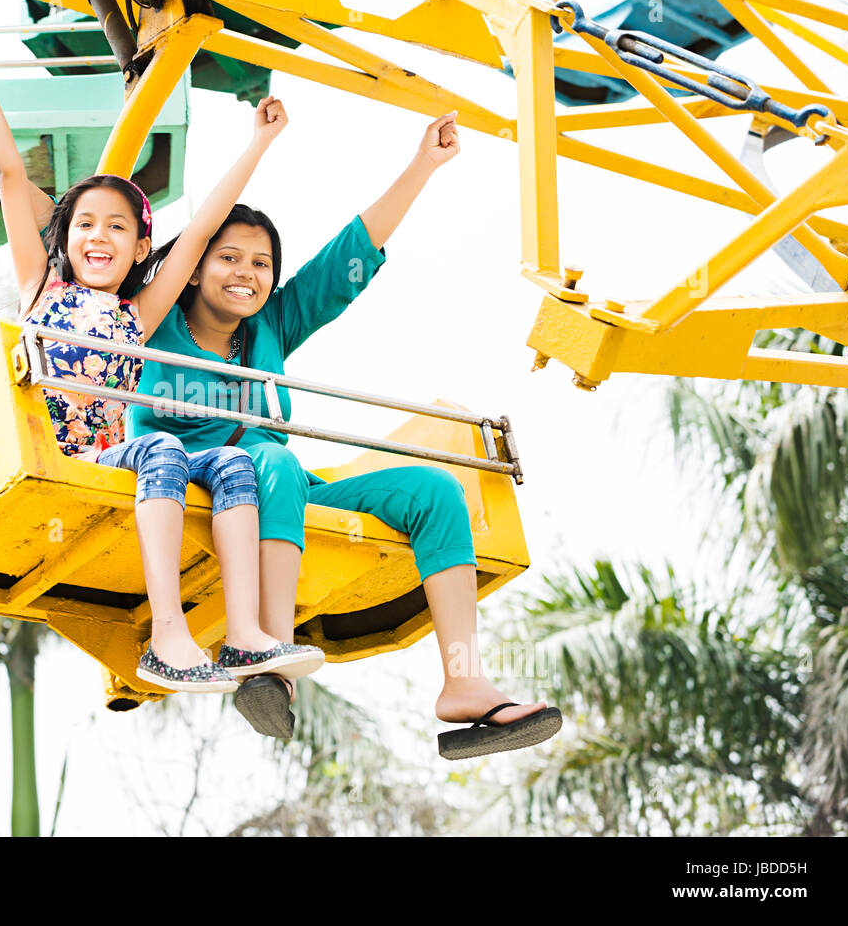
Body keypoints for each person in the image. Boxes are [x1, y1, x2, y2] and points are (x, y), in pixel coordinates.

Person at [129, 111, 562, 754]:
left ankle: (464, 682)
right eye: (228, 258)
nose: (247, 273)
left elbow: (344, 263)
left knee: (433, 490)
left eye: (261, 263)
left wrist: (424, 165)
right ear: (192, 267)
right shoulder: (148, 321)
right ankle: (268, 657)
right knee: (264, 456)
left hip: (280, 495)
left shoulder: (272, 325)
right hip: (187, 488)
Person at [0, 19, 324, 694]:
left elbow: (203, 224)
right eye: (86, 223)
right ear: (66, 236)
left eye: (118, 226)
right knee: (165, 451)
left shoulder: (137, 316)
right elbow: (7, 173)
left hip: (111, 462)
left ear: (141, 249)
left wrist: (258, 145)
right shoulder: (41, 287)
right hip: (61, 462)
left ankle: (242, 637)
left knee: (235, 461)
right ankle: (168, 639)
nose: (100, 235)